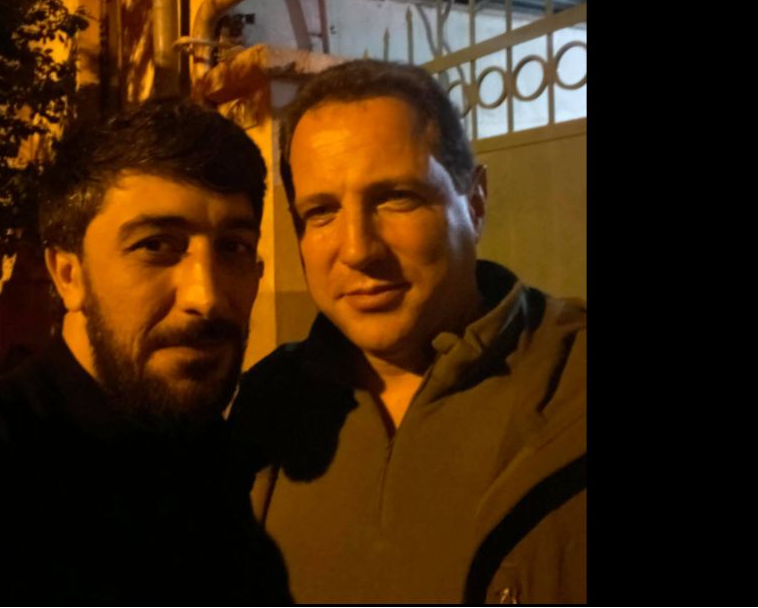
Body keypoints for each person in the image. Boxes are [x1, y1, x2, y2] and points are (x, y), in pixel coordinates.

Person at [228, 60, 587, 604]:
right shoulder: (267, 405)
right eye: (321, 212)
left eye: (397, 198)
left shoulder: (574, 383)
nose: (358, 250)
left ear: (476, 202)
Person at [0, 100, 291, 604]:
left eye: (233, 247)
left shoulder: (239, 456)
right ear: (69, 275)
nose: (207, 297)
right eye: (156, 246)